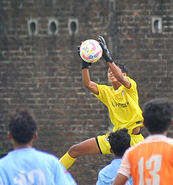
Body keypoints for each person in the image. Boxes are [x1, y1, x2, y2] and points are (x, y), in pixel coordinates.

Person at [59, 36, 144, 169]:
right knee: (74, 150)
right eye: (108, 71)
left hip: (133, 140)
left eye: (113, 71)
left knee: (135, 172)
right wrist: (84, 63)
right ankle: (51, 178)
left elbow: (120, 78)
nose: (110, 73)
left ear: (125, 75)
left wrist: (107, 58)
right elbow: (87, 84)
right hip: (116, 138)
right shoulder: (107, 91)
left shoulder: (130, 87)